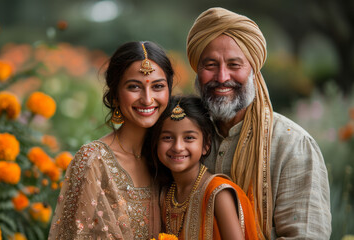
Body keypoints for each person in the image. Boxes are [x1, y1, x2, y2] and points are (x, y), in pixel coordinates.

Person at [186, 7, 331, 239]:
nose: (222, 77)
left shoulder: (292, 145)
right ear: (197, 69)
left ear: (254, 70)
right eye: (210, 65)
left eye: (234, 65)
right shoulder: (183, 139)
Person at [48, 41, 174, 239]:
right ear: (115, 95)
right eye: (134, 87)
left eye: (158, 86)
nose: (148, 99)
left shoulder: (170, 156)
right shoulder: (93, 161)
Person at [144, 95, 260, 239]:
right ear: (155, 143)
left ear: (206, 145)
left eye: (189, 138)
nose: (178, 147)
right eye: (167, 137)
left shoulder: (218, 194)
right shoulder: (165, 194)